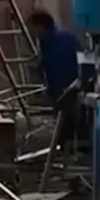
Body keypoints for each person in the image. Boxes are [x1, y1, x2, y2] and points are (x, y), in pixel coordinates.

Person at [28, 10, 80, 147]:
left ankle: (66, 149)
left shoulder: (56, 41)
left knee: (66, 120)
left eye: (34, 28)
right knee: (65, 121)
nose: (33, 33)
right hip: (67, 85)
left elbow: (59, 65)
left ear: (41, 26)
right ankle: (66, 148)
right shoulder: (58, 37)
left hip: (65, 85)